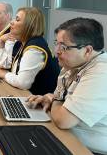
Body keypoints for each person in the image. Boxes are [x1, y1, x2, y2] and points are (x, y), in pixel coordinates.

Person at [26, 18, 107, 154]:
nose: (56, 51)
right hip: (67, 136)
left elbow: (64, 120)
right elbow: (60, 103)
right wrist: (52, 99)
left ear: (87, 50)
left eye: (63, 47)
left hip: (88, 150)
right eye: (56, 44)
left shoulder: (101, 73)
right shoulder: (71, 65)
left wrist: (54, 100)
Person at [0, 7, 60, 95]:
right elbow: (4, 65)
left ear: (29, 25)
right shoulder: (22, 42)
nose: (11, 22)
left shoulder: (34, 49)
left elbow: (23, 83)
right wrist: (1, 42)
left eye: (17, 20)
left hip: (39, 104)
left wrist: (3, 74)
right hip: (26, 96)